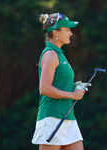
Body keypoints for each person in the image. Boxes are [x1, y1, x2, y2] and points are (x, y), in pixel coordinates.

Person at [32, 12, 89, 150]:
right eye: (67, 29)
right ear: (56, 32)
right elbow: (44, 88)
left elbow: (57, 83)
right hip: (52, 117)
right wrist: (71, 95)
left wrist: (73, 87)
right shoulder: (50, 54)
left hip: (68, 117)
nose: (71, 33)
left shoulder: (59, 54)